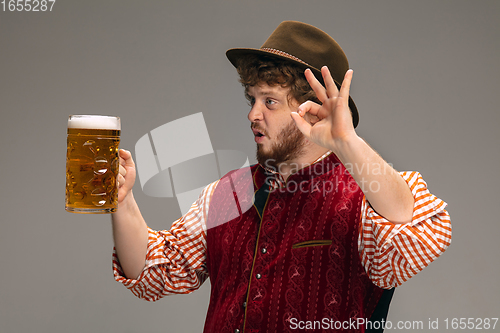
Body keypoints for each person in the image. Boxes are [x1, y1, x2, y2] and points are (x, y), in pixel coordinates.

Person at [111, 21, 451, 333]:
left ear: (313, 107)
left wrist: (348, 142)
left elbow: (415, 235)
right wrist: (121, 201)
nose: (252, 114)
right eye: (252, 99)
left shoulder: (365, 195)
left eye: (270, 101)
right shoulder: (226, 193)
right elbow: (153, 272)